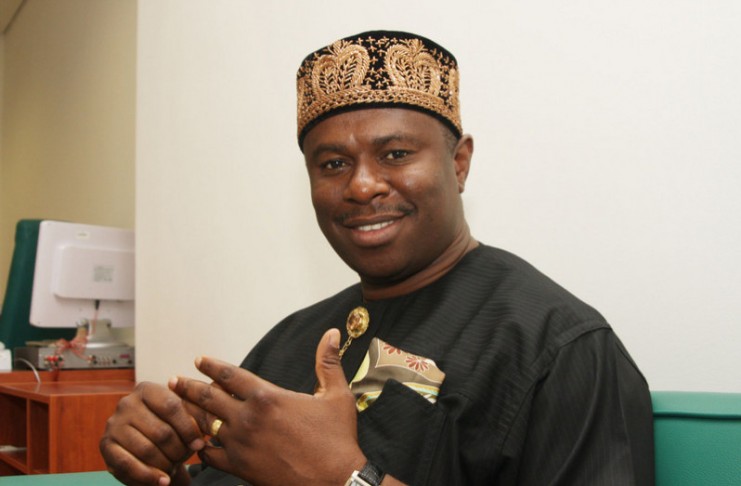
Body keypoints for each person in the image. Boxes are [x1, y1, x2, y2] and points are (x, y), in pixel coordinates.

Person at [100, 31, 655, 486]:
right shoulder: (290, 340)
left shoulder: (557, 347)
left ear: (459, 163)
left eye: (395, 154)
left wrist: (344, 479)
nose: (362, 185)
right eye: (333, 164)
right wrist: (161, 462)